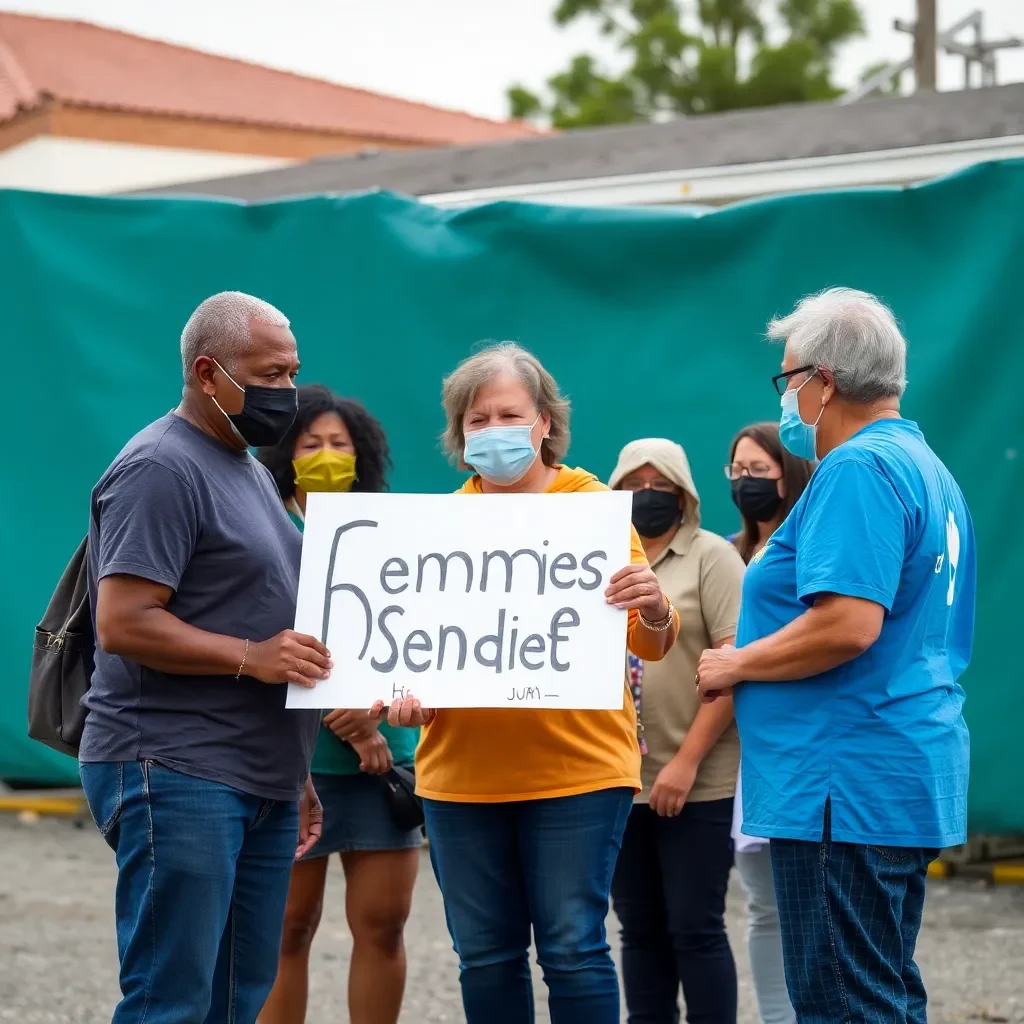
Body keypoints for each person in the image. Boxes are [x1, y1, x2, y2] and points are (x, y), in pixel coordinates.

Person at [372, 342, 679, 1024]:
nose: (492, 431)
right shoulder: (435, 529)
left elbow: (648, 642)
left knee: (573, 949)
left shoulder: (594, 507)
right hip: (459, 777)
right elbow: (411, 659)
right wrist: (402, 700)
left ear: (544, 422)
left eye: (508, 414)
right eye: (475, 420)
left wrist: (655, 606)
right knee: (484, 955)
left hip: (578, 774)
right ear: (459, 433)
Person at [697, 288, 975, 1024]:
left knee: (843, 1005)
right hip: (887, 774)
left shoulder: (858, 469)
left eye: (786, 379)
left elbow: (847, 626)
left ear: (823, 380)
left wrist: (737, 663)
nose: (785, 397)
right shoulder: (926, 468)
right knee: (879, 994)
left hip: (842, 782)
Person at [79, 291, 330, 1024]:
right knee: (172, 1001)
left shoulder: (248, 469)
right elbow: (123, 623)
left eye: (293, 372)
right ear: (208, 373)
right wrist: (253, 658)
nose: (287, 391)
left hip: (260, 776)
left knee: (234, 997)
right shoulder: (161, 466)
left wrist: (296, 771)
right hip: (175, 766)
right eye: (270, 373)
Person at [258, 385, 421, 1024]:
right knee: (286, 927)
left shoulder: (393, 529)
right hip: (293, 763)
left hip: (386, 770)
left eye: (338, 444)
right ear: (286, 455)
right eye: (311, 444)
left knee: (383, 926)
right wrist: (350, 726)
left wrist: (375, 715)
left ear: (362, 455)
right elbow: (273, 636)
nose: (327, 455)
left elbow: (420, 632)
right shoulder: (267, 528)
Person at [606, 438, 747, 1024]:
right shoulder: (593, 555)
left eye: (661, 484)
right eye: (634, 483)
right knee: (638, 930)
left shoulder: (712, 557)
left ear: (685, 494)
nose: (647, 495)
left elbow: (735, 661)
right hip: (616, 777)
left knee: (695, 927)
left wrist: (684, 764)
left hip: (698, 779)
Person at [724, 423, 812, 1024]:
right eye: (738, 471)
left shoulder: (803, 548)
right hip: (740, 760)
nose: (747, 482)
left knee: (809, 905)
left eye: (760, 470)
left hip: (794, 750)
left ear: (789, 474)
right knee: (761, 905)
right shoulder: (729, 554)